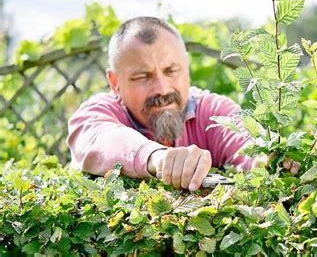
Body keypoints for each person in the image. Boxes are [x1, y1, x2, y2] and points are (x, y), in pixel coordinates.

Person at [67, 17, 299, 191]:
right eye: (142, 77)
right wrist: (158, 158)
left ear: (186, 68)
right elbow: (102, 138)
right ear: (114, 82)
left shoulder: (214, 112)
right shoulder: (96, 114)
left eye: (171, 71)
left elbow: (248, 143)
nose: (162, 88)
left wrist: (269, 160)